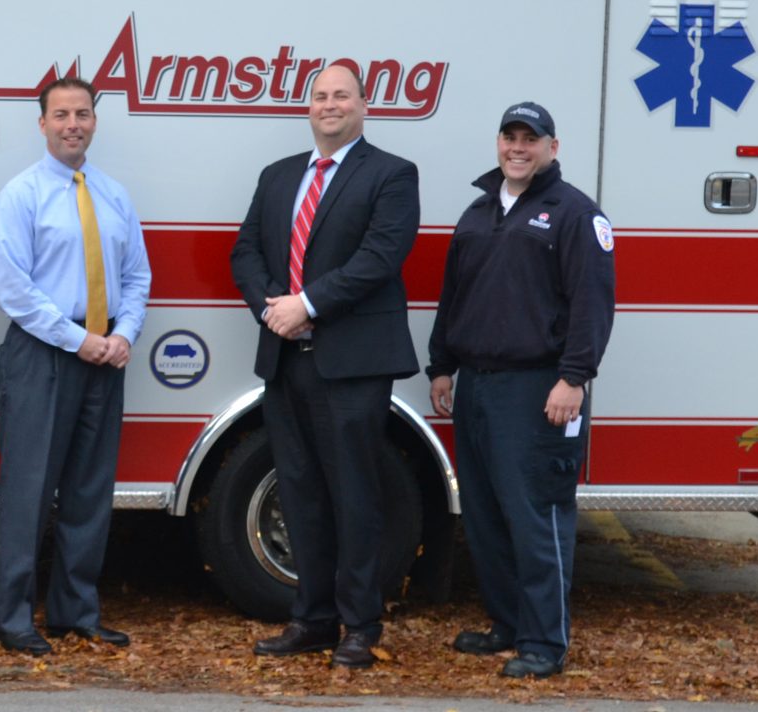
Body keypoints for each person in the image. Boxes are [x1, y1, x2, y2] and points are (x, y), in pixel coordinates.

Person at [229, 63, 421, 669]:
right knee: (301, 492)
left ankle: (360, 626)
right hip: (288, 361)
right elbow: (246, 250)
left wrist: (308, 304)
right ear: (307, 108)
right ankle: (311, 621)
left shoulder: (391, 174)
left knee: (355, 494)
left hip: (354, 366)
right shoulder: (279, 175)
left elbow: (381, 256)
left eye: (341, 95)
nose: (329, 105)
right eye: (320, 96)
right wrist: (274, 310)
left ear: (364, 106)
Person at [427, 102, 615, 680]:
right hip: (478, 387)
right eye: (509, 136)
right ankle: (507, 624)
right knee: (485, 516)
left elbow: (592, 304)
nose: (517, 147)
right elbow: (454, 296)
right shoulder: (478, 213)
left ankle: (544, 642)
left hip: (538, 389)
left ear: (551, 148)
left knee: (537, 516)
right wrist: (442, 366)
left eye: (530, 139)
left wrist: (574, 378)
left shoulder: (575, 214)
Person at [0, 76, 152, 656]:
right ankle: (11, 619)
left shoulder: (113, 194)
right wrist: (77, 338)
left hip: (104, 356)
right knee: (29, 490)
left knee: (89, 489)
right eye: (61, 115)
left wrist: (123, 333)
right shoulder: (21, 194)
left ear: (95, 122)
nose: (72, 124)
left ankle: (74, 612)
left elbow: (137, 276)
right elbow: (13, 287)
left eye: (82, 113)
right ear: (42, 124)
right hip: (43, 354)